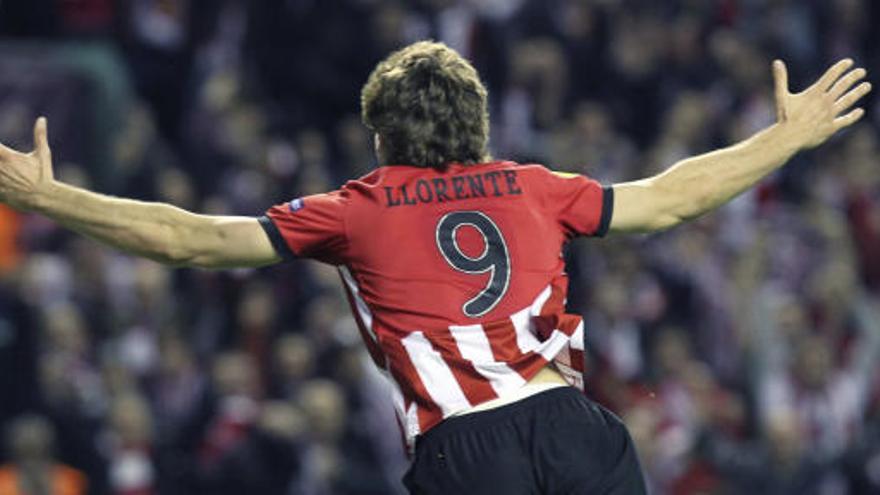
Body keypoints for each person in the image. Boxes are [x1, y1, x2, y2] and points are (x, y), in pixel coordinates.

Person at [0, 41, 871, 494]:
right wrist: (784, 138)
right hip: (577, 427)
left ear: (383, 136)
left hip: (466, 447)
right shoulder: (535, 186)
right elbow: (674, 196)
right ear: (479, 124)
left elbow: (187, 238)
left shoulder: (358, 207)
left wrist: (53, 201)